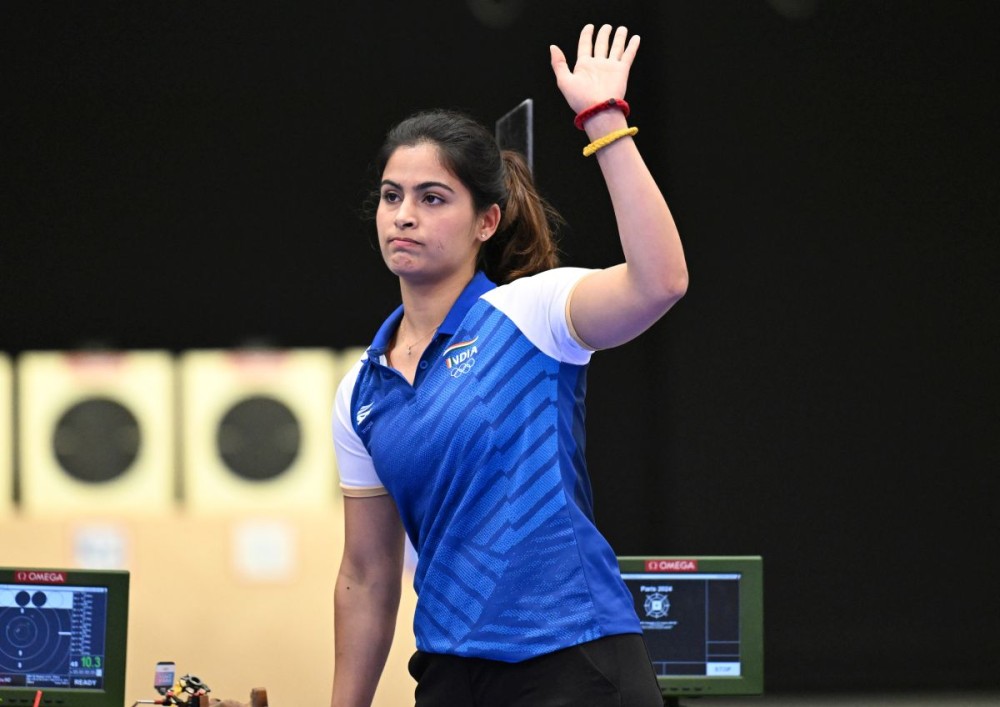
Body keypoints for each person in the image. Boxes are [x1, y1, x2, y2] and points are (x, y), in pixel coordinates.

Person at [331, 23, 688, 707]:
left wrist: (604, 121)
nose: (404, 215)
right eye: (391, 195)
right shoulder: (359, 395)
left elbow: (660, 282)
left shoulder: (534, 312)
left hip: (573, 660)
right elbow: (367, 575)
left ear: (486, 221)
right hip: (449, 673)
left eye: (432, 198)